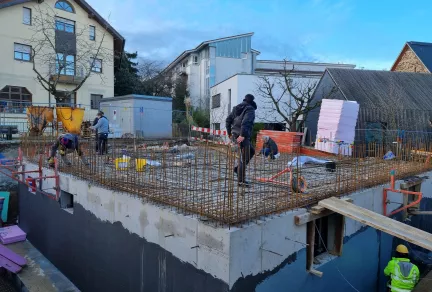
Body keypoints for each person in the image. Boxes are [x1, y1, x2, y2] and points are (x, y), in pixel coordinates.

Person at [226, 94, 257, 187]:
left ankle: (237, 169)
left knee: (251, 151)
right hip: (242, 136)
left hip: (235, 135)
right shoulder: (250, 109)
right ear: (252, 102)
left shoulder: (237, 108)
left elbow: (228, 120)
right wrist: (242, 135)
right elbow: (246, 122)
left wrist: (229, 134)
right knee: (243, 158)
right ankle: (241, 181)